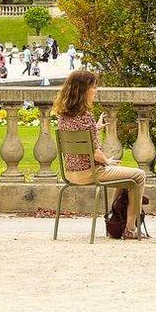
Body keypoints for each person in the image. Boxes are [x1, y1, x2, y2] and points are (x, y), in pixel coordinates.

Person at [52, 69, 144, 238]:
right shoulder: (86, 116)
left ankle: (117, 222)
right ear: (83, 90)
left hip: (71, 173)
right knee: (138, 176)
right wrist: (107, 161)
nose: (95, 91)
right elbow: (95, 153)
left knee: (123, 179)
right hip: (91, 172)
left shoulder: (62, 116)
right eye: (93, 87)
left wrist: (95, 127)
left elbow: (80, 135)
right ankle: (129, 228)